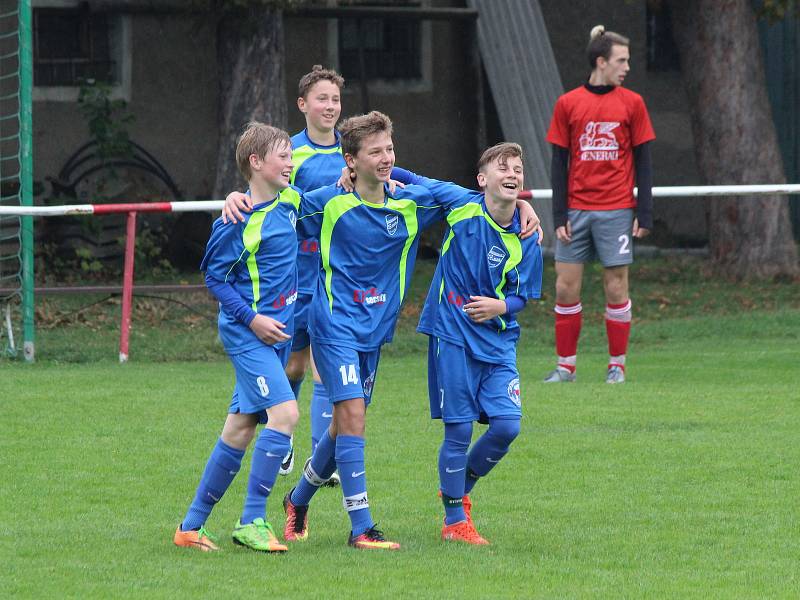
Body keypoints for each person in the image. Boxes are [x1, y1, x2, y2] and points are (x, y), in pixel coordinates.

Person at [390, 144, 543, 545]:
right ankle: (455, 522)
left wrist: (500, 306)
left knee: (507, 426)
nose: (512, 173)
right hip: (452, 333)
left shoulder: (527, 236)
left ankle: (458, 487)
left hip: (498, 343)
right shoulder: (460, 204)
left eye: (518, 169)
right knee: (458, 429)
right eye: (502, 167)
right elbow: (411, 178)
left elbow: (523, 295)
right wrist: (356, 169)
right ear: (482, 180)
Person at [173, 122, 301, 553]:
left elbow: (340, 185)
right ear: (256, 162)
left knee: (241, 428)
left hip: (277, 337)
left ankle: (191, 527)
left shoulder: (291, 203)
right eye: (283, 155)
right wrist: (252, 320)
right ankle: (252, 520)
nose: (290, 162)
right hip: (250, 337)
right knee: (284, 416)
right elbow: (213, 276)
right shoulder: (236, 220)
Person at [224, 66, 346, 484]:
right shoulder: (286, 155)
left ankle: (320, 459)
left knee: (325, 366)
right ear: (303, 105)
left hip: (336, 276)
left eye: (335, 100)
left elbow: (387, 177)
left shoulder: (353, 152)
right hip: (293, 277)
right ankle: (285, 433)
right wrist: (234, 197)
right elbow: (258, 197)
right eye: (322, 99)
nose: (330, 106)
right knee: (294, 364)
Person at [543, 25, 655, 384]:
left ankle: (616, 366)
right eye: (621, 61)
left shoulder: (633, 103)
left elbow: (644, 161)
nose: (627, 67)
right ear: (601, 61)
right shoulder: (568, 103)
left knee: (616, 287)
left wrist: (645, 210)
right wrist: (558, 213)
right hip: (575, 210)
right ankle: (566, 367)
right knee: (565, 286)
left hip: (617, 209)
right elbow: (559, 163)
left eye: (628, 61)